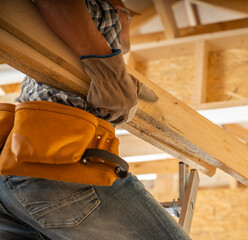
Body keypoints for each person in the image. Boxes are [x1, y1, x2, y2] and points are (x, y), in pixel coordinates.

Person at [0, 0, 191, 239]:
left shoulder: (65, 41)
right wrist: (104, 63)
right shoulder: (103, 12)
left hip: (15, 163)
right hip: (55, 163)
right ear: (123, 12)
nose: (127, 35)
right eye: (130, 18)